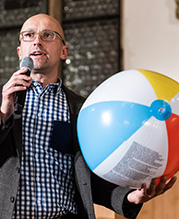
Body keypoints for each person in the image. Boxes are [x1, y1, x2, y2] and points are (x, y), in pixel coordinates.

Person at [0, 14, 177, 219]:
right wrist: (4, 113)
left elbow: (89, 176)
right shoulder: (3, 100)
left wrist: (129, 197)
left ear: (64, 51)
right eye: (29, 35)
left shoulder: (84, 109)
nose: (37, 41)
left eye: (48, 35)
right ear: (20, 51)